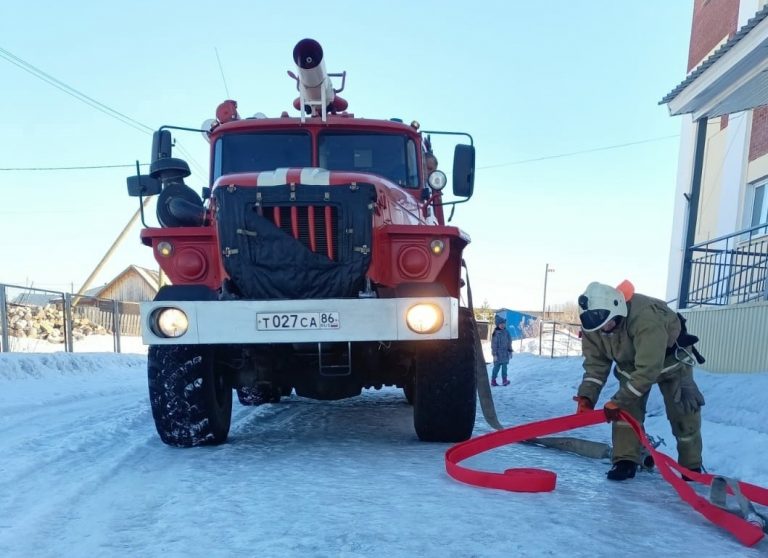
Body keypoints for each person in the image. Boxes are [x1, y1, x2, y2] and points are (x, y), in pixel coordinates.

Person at [573, 281, 706, 481]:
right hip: (630, 366)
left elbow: (648, 370)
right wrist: (587, 397)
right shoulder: (592, 325)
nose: (604, 330)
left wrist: (617, 401)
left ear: (616, 311)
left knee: (684, 414)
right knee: (626, 414)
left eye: (607, 324)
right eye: (598, 328)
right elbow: (596, 365)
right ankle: (625, 461)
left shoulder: (645, 318)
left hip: (672, 363)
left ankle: (691, 467)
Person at [491, 314, 513, 386]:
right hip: (498, 354)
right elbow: (494, 345)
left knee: (504, 368)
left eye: (503, 324)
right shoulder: (495, 333)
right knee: (496, 368)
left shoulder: (506, 332)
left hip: (505, 353)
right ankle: (493, 381)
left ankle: (504, 380)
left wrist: (510, 351)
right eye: (501, 324)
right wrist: (494, 355)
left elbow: (509, 341)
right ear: (498, 325)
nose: (502, 325)